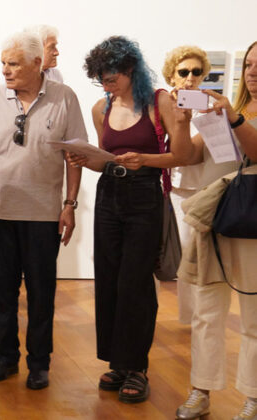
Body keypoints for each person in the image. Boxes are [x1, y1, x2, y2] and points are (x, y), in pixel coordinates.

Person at [69, 35, 191, 404]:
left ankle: (137, 366)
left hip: (144, 195)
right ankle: (118, 362)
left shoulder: (159, 101)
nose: (106, 87)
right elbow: (104, 159)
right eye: (101, 81)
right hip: (109, 192)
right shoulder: (101, 108)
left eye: (112, 79)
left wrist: (145, 159)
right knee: (108, 277)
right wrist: (84, 159)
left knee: (135, 281)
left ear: (131, 69)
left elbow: (182, 155)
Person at [0, 31, 86, 391]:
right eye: (3, 63)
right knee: (1, 293)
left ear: (37, 63)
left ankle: (39, 363)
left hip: (44, 214)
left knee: (41, 293)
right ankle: (6, 358)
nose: (5, 70)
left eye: (13, 63)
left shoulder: (65, 97)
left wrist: (70, 204)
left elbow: (75, 155)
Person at [169, 42, 257, 420]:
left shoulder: (233, 114)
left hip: (252, 222)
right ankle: (200, 390)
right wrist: (182, 121)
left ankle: (254, 396)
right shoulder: (229, 110)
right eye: (249, 64)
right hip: (214, 216)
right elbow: (188, 156)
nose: (252, 71)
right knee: (206, 311)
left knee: (254, 315)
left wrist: (233, 120)